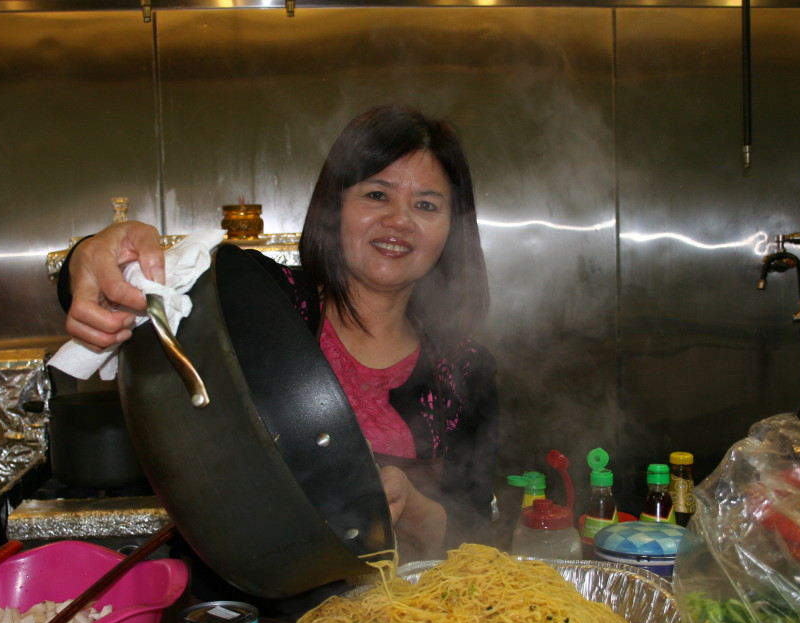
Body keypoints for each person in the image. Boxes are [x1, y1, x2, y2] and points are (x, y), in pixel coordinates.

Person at [58, 104, 500, 559]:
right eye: (376, 195)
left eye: (426, 204)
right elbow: (148, 283)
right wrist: (93, 257)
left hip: (407, 618)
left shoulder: (465, 370)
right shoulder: (262, 302)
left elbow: (476, 534)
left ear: (453, 229)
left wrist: (412, 507)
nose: (400, 221)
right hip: (242, 620)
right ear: (334, 206)